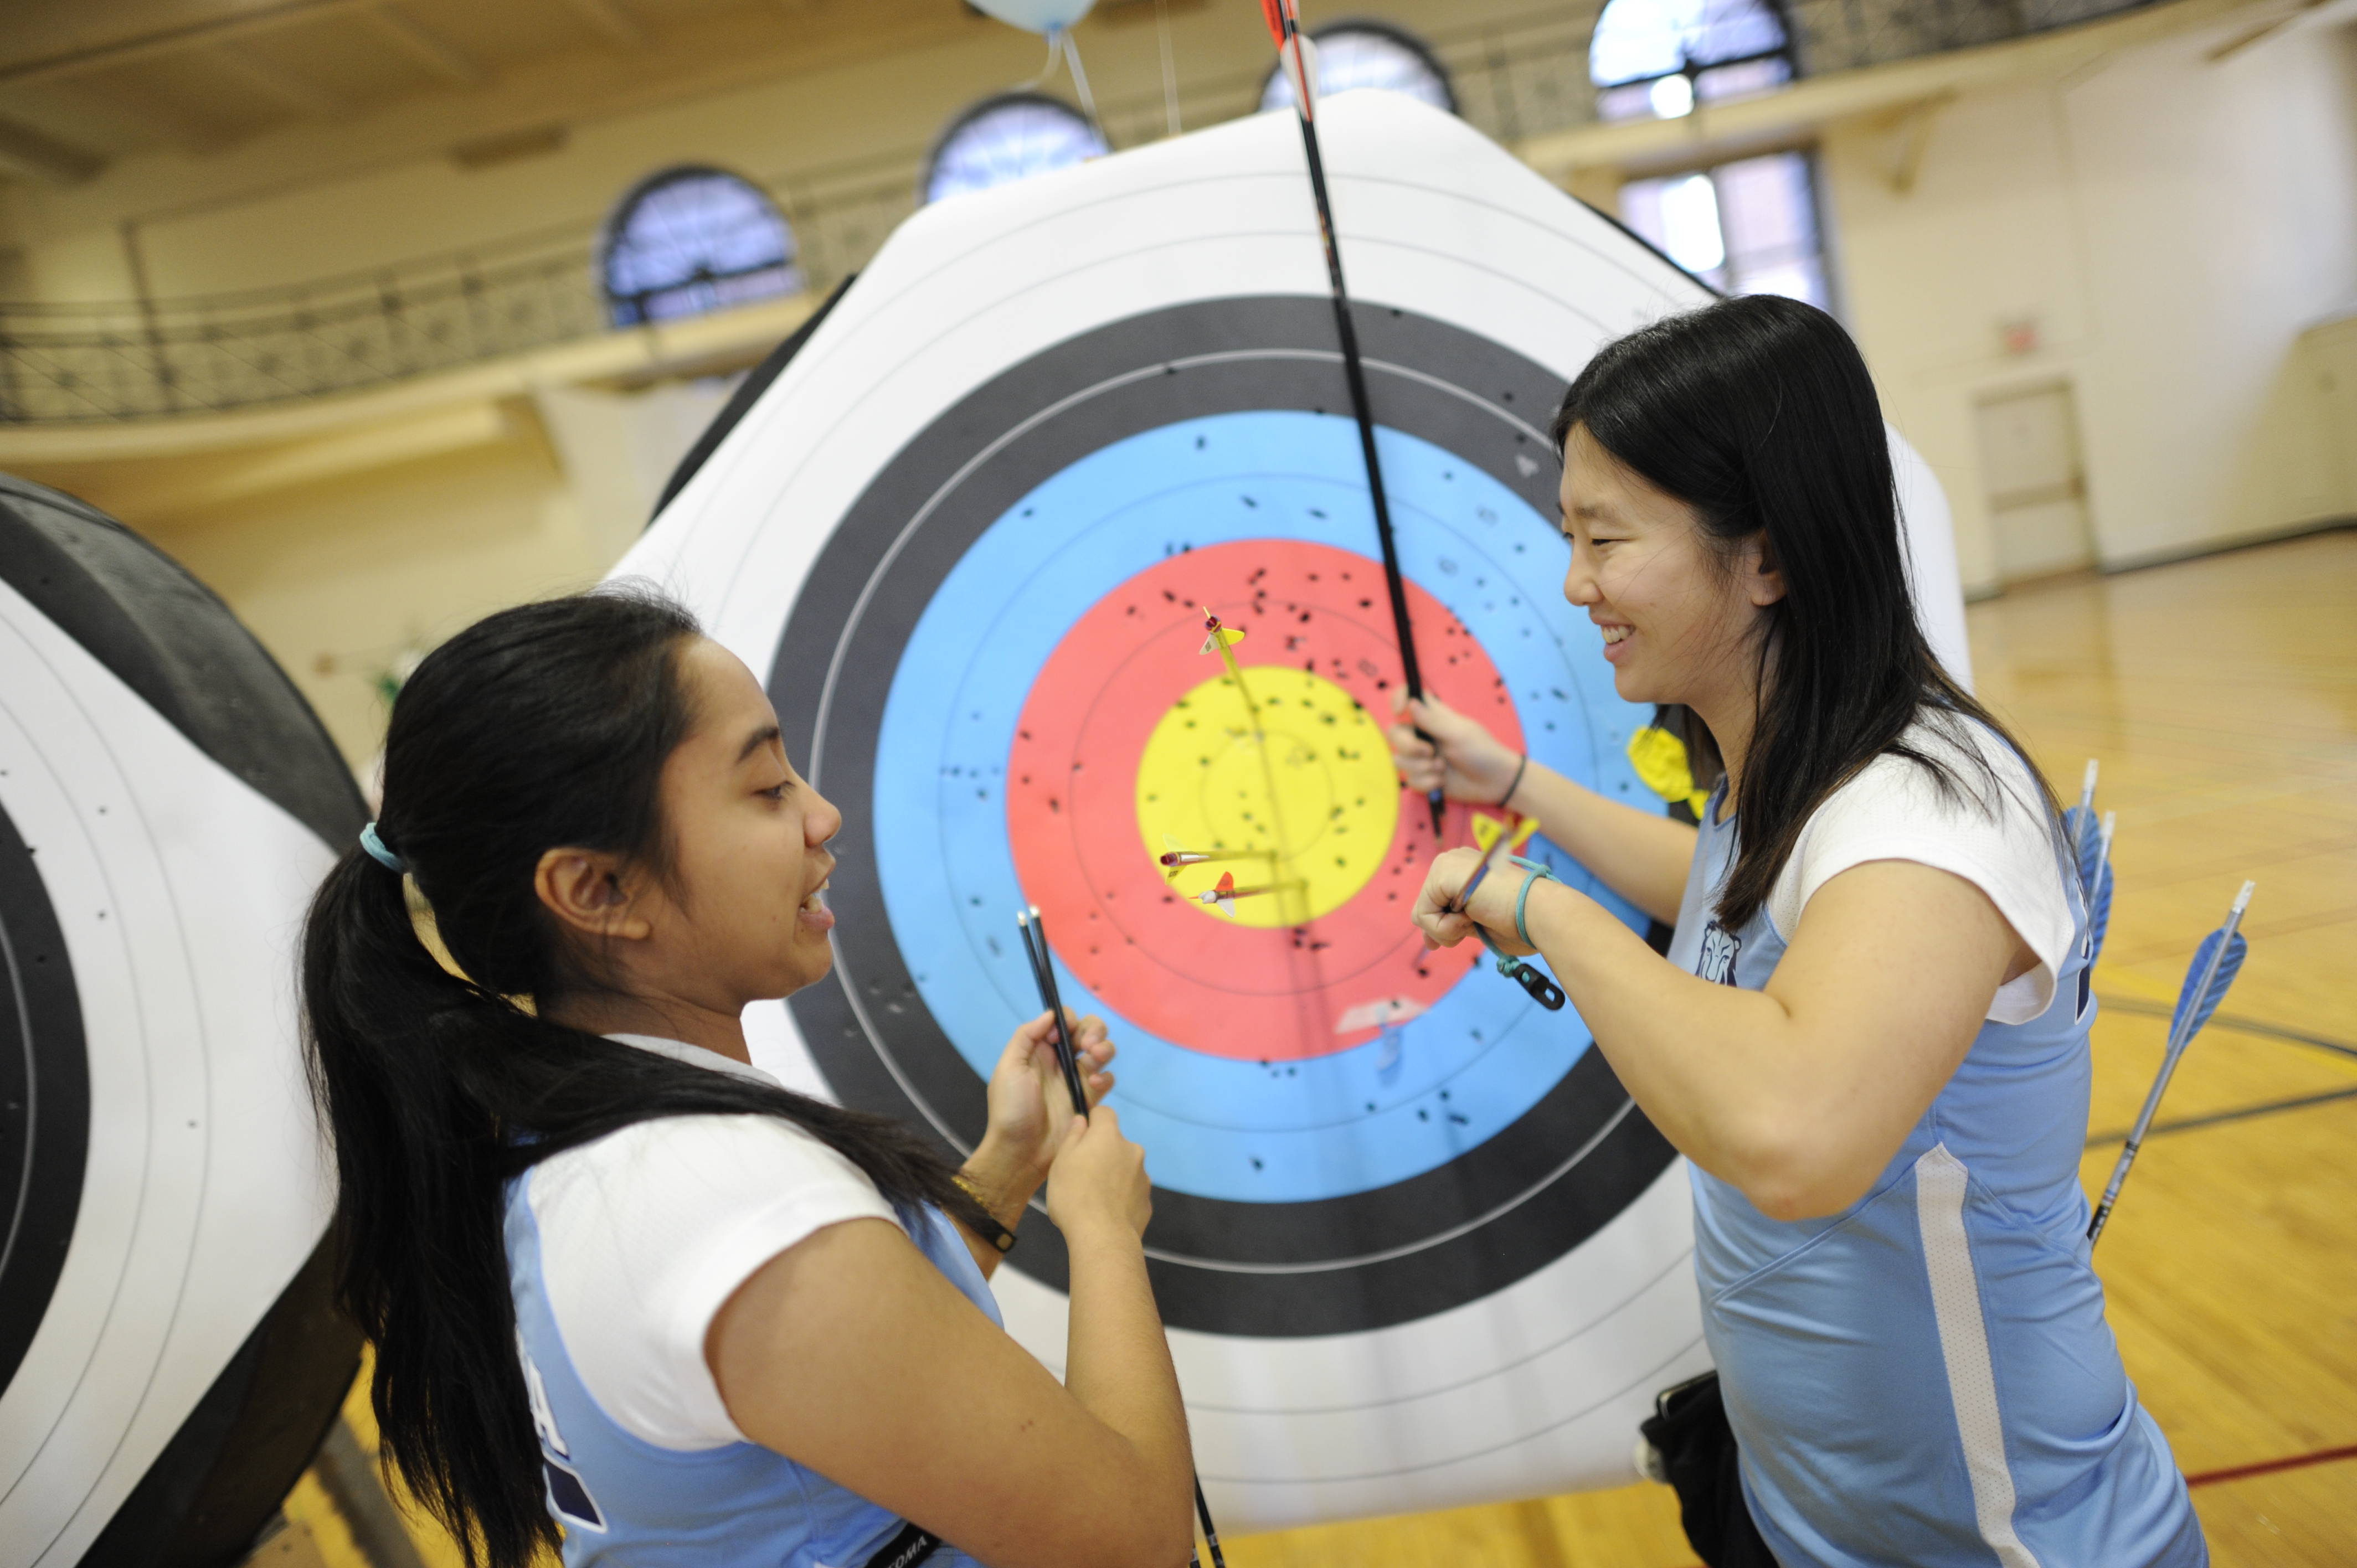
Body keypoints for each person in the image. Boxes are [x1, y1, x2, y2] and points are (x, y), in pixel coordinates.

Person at [1396, 295, 2204, 1566]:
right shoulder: (1780, 771)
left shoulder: (1926, 814)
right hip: (1810, 1517)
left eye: (1606, 539)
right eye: (1570, 535)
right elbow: (1725, 893)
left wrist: (1533, 902)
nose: (1576, 583)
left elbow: (1793, 1137)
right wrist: (1516, 788)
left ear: (1766, 557)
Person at [302, 591, 1198, 1568]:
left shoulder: (593, 1150)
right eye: (768, 787)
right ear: (596, 891)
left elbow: (832, 1377)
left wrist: (1012, 1166)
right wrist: (1104, 1226)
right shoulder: (713, 1201)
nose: (822, 814)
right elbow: (1133, 1543)